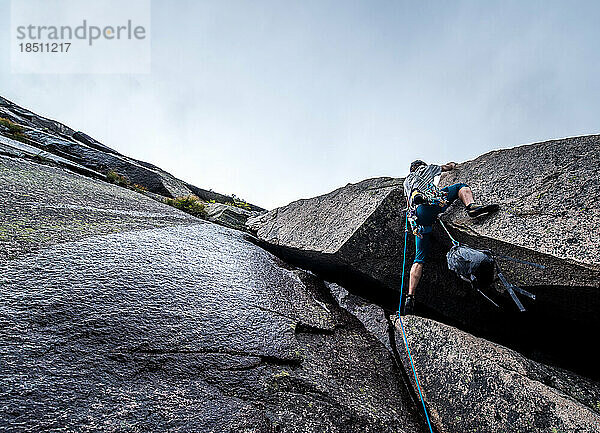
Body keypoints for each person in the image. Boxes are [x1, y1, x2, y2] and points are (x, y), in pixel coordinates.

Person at [401, 160, 498, 315]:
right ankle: (471, 207)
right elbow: (446, 167)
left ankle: (410, 296)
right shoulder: (427, 169)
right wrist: (452, 165)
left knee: (419, 259)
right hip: (432, 203)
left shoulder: (406, 182)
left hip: (417, 219)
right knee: (460, 186)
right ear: (421, 165)